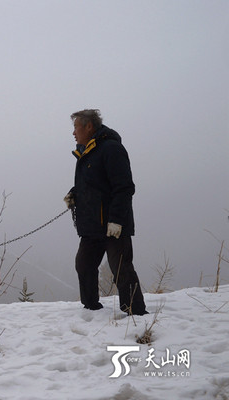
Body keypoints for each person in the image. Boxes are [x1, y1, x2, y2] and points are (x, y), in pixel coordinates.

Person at [65, 109, 147, 315]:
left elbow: (124, 187)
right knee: (83, 264)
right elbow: (94, 184)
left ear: (89, 126)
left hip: (113, 224)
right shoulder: (86, 151)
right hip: (91, 224)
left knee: (121, 268)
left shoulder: (111, 149)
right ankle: (91, 307)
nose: (73, 133)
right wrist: (74, 194)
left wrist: (117, 221)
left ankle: (136, 312)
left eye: (76, 127)